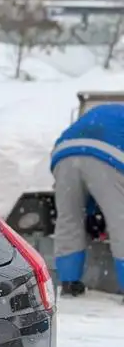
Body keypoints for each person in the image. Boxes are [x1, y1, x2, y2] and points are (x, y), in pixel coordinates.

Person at [50, 102, 124, 299]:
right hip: (109, 154)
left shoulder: (106, 111)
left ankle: (69, 281)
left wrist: (91, 212)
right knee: (121, 221)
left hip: (64, 153)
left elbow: (87, 174)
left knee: (69, 218)